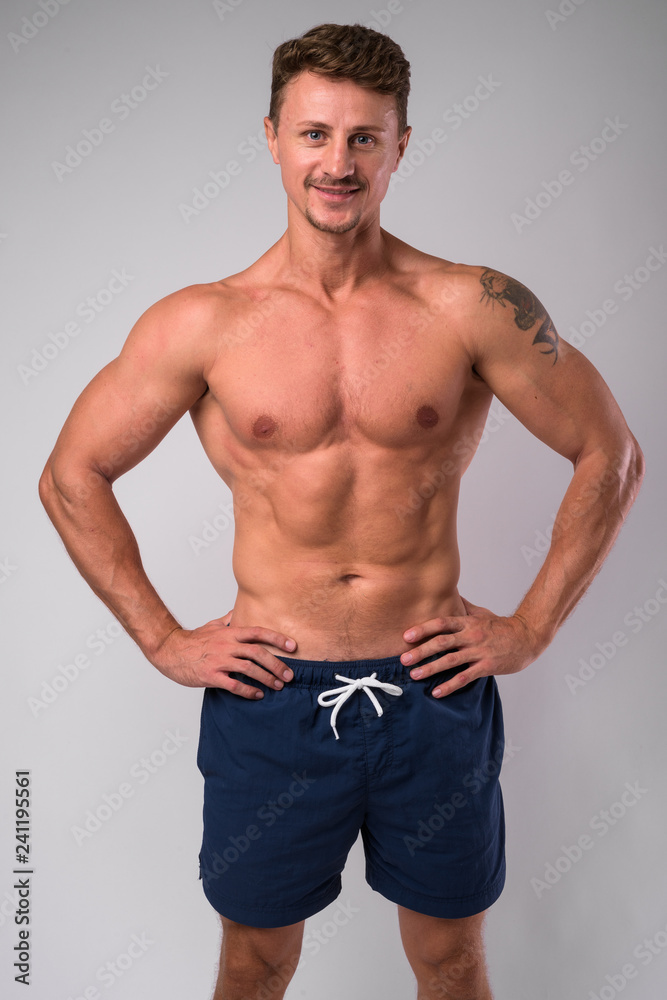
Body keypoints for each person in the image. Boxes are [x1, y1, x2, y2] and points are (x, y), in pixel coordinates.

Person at [39, 21, 644, 1000]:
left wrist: (530, 625)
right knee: (258, 960)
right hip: (270, 698)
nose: (339, 161)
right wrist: (161, 637)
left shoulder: (471, 304)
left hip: (431, 692)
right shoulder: (202, 322)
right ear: (273, 137)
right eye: (315, 133)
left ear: (401, 146)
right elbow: (72, 475)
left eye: (365, 137)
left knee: (448, 961)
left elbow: (608, 452)